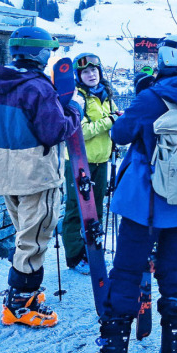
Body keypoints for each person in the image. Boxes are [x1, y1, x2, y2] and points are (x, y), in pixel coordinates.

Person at [82, 34, 177, 353]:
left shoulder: (149, 97)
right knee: (174, 271)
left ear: (162, 59)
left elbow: (122, 134)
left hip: (146, 204)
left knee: (126, 272)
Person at [0, 26, 80, 328]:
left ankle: (24, 291)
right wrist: (74, 109)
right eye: (48, 50)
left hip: (5, 171)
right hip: (36, 173)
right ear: (39, 53)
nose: (50, 56)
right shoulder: (38, 87)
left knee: (25, 236)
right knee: (35, 240)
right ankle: (20, 304)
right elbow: (55, 131)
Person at [62, 53, 121, 273]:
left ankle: (92, 250)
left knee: (95, 210)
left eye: (94, 70)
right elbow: (81, 131)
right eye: (86, 71)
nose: (91, 74)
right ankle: (74, 256)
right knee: (76, 209)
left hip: (101, 161)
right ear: (79, 75)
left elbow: (109, 126)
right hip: (79, 161)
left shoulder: (106, 96)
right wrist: (111, 120)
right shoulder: (78, 98)